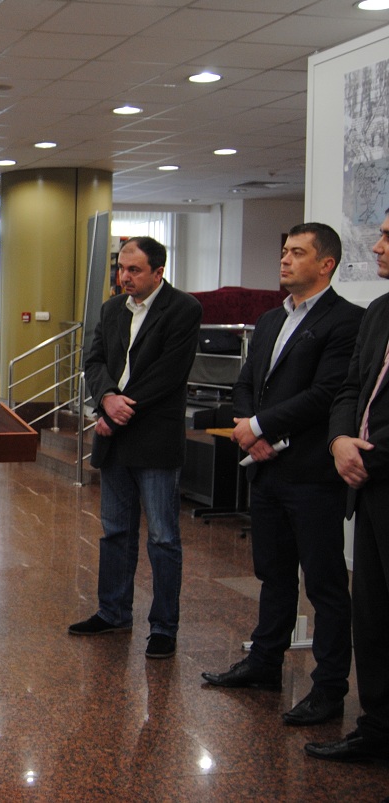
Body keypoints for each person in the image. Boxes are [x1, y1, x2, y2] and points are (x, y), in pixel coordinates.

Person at [201, 223, 362, 726]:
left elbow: (326, 394)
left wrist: (260, 427)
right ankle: (265, 663)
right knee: (272, 574)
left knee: (324, 584)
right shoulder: (272, 318)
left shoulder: (347, 321)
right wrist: (250, 429)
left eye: (297, 253)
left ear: (326, 264)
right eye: (284, 251)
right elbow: (248, 382)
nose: (285, 260)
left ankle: (328, 688)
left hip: (312, 473)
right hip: (267, 470)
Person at [68, 236, 202, 660]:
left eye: (134, 270)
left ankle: (163, 626)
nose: (124, 277)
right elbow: (93, 362)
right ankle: (113, 611)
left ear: (158, 272)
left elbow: (169, 373)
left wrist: (117, 411)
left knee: (162, 537)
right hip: (115, 439)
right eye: (121, 269)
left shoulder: (183, 309)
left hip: (154, 439)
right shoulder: (112, 309)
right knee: (115, 532)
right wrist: (107, 398)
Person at [307, 210, 389, 762]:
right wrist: (339, 440)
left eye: (387, 237)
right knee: (373, 618)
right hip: (367, 487)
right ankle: (377, 729)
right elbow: (351, 388)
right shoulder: (380, 311)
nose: (377, 246)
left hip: (381, 471)